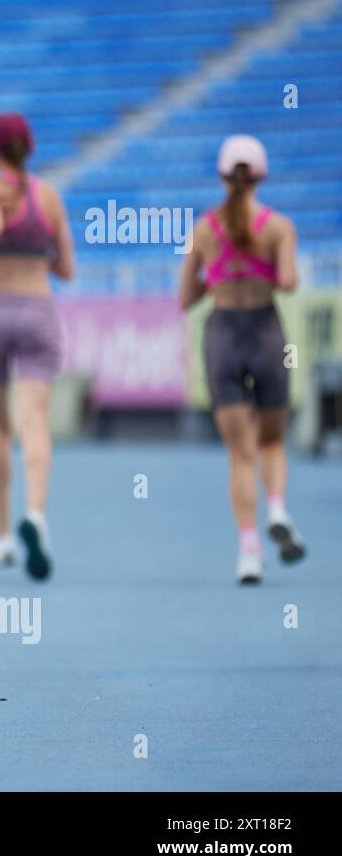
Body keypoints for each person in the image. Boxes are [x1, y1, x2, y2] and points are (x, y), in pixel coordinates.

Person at [179, 134, 305, 584]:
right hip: (267, 334)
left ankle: (249, 549)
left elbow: (184, 297)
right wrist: (260, 268)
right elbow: (288, 283)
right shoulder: (278, 227)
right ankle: (277, 507)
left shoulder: (203, 229)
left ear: (221, 175)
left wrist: (221, 273)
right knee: (272, 440)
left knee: (239, 454)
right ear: (261, 176)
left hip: (223, 336)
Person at [0, 112, 75, 581]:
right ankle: (36, 513)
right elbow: (66, 268)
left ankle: (2, 534)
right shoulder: (47, 197)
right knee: (34, 422)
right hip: (36, 312)